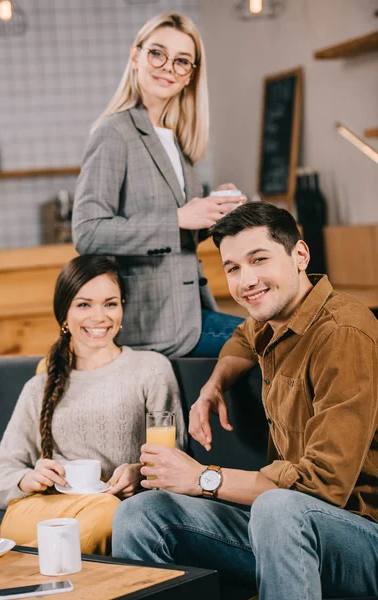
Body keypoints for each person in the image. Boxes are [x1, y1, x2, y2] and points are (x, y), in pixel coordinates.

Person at [111, 203, 378, 599]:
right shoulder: (275, 318)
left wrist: (203, 478)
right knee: (142, 512)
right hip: (287, 528)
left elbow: (322, 487)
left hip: (361, 536)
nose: (246, 280)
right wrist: (213, 386)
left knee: (277, 507)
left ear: (300, 255)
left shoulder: (344, 333)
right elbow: (242, 337)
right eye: (233, 268)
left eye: (259, 259)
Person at [72, 12, 244, 358]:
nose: (168, 67)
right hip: (150, 322)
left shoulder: (176, 140)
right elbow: (87, 232)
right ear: (135, 56)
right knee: (275, 345)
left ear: (190, 76)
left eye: (182, 61)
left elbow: (180, 230)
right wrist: (178, 218)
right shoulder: (114, 132)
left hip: (191, 312)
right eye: (157, 53)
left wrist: (214, 211)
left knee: (280, 343)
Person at [0, 254, 186, 555]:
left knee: (110, 512)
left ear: (122, 308)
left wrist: (140, 474)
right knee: (104, 514)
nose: (99, 316)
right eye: (84, 304)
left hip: (111, 514)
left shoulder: (151, 369)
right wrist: (29, 478)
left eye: (110, 303)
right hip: (40, 512)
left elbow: (175, 460)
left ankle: (19, 569)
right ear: (64, 315)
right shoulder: (38, 387)